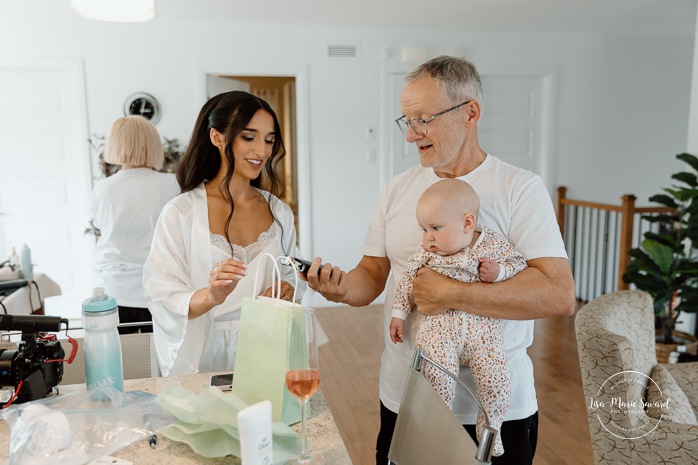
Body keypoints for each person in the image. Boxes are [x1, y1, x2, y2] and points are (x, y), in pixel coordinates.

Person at [306, 56, 576, 465]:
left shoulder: (521, 189)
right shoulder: (397, 190)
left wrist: (451, 292)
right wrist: (339, 288)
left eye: (424, 119)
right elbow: (373, 275)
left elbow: (558, 294)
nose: (412, 134)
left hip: (499, 409)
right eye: (407, 120)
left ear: (471, 112)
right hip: (406, 394)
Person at [143, 91, 305, 377]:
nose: (262, 151)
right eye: (249, 137)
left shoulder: (279, 212)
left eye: (269, 140)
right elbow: (161, 295)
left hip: (267, 347)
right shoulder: (180, 213)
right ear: (217, 137)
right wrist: (211, 295)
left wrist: (290, 288)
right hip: (204, 356)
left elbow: (292, 270)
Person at [390, 178, 527, 457]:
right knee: (437, 382)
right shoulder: (425, 255)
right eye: (424, 230)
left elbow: (519, 264)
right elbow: (407, 284)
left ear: (467, 223)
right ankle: (440, 431)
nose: (428, 238)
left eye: (436, 228)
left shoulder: (491, 245)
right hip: (439, 330)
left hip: (482, 331)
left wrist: (499, 272)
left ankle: (490, 428)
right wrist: (399, 314)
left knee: (497, 382)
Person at [89, 115, 180, 334]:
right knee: (159, 360)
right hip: (159, 288)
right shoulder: (172, 184)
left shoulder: (103, 188)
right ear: (152, 144)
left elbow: (102, 228)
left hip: (115, 289)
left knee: (120, 359)